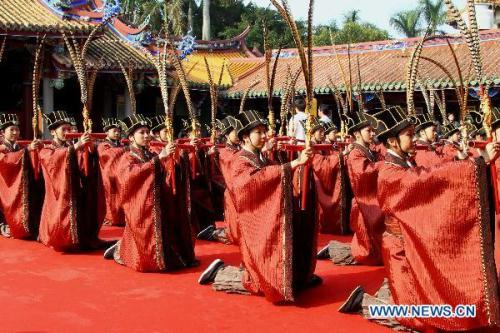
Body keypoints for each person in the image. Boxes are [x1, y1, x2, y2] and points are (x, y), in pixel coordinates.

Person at [342, 106, 500, 332]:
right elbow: (423, 180)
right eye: (409, 134)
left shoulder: (404, 162)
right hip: (401, 249)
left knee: (429, 297)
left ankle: (391, 292)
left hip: (411, 241)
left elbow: (430, 174)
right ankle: (366, 303)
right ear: (393, 142)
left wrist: (467, 162)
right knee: (417, 318)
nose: (414, 138)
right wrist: (477, 164)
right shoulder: (389, 172)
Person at [199, 110, 321, 303]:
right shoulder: (240, 160)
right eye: (259, 132)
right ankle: (221, 272)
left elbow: (278, 176)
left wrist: (300, 168)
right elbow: (254, 182)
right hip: (254, 219)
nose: (264, 136)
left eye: (265, 131)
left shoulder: (261, 158)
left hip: (266, 215)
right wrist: (294, 164)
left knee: (267, 265)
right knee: (258, 277)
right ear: (245, 137)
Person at [104, 114, 197, 272]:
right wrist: (158, 159)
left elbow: (166, 172)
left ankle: (123, 247)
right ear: (132, 137)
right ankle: (122, 250)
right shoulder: (127, 156)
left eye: (148, 132)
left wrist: (177, 159)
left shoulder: (151, 154)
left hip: (157, 201)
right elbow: (128, 177)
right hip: (141, 204)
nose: (147, 135)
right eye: (142, 132)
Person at [318, 111, 384, 265]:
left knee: (375, 249)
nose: (372, 133)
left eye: (372, 130)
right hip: (364, 204)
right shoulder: (355, 153)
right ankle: (334, 249)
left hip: (373, 201)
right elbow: (362, 173)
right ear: (357, 134)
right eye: (368, 130)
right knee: (365, 253)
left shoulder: (369, 151)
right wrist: (384, 166)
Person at [38, 111, 106, 251]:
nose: (67, 132)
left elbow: (84, 166)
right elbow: (54, 161)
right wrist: (75, 147)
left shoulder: (74, 148)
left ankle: (81, 237)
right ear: (52, 132)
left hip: (76, 191)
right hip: (59, 195)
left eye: (69, 129)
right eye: (63, 129)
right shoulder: (47, 150)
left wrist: (91, 150)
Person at [197, 116, 241, 244]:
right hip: (232, 191)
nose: (239, 134)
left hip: (238, 191)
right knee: (235, 235)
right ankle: (213, 234)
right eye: (235, 132)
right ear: (227, 135)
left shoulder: (237, 149)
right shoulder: (225, 151)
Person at [0, 113, 42, 239]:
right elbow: (6, 161)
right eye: (11, 130)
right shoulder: (2, 148)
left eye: (17, 129)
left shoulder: (19, 147)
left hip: (18, 182)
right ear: (2, 132)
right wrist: (27, 151)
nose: (15, 132)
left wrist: (34, 151)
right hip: (4, 181)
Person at [97, 118, 125, 226]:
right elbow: (110, 154)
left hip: (120, 175)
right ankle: (110, 218)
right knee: (110, 197)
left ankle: (120, 218)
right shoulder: (103, 145)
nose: (117, 133)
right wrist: (126, 150)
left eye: (118, 131)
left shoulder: (121, 145)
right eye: (114, 131)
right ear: (107, 132)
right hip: (108, 175)